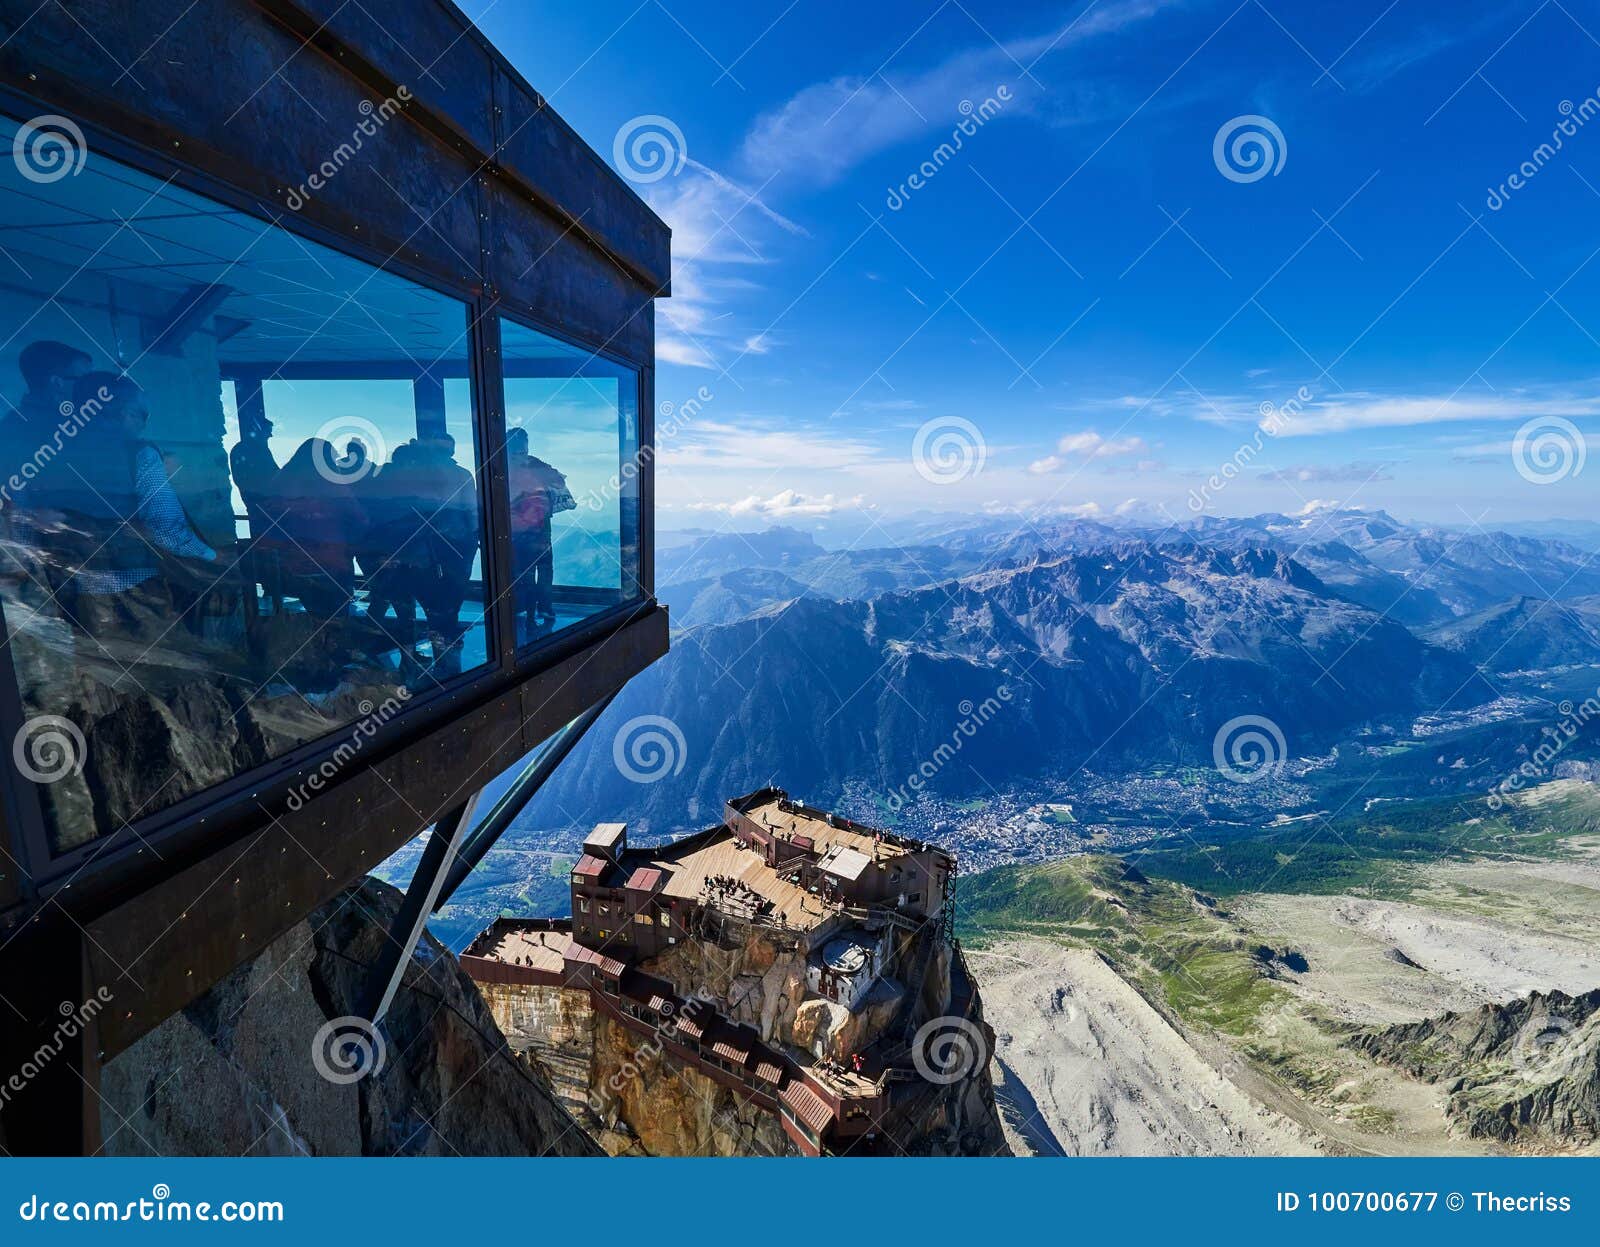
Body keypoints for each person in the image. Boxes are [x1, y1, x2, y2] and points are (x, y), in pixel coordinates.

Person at [38, 373, 220, 642]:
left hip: (63, 593)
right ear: (124, 413)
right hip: (131, 590)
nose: (144, 421)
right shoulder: (139, 455)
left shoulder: (49, 452)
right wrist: (214, 558)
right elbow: (166, 530)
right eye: (142, 413)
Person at [257, 437, 367, 620]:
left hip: (291, 568)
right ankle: (335, 643)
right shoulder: (334, 487)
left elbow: (267, 526)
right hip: (331, 565)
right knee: (336, 618)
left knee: (318, 615)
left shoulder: (279, 487)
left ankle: (321, 640)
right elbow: (360, 520)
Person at [505, 426, 574, 636]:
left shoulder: (499, 466)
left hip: (513, 530)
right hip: (539, 529)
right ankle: (542, 608)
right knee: (543, 569)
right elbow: (558, 480)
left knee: (521, 571)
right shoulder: (534, 465)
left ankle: (524, 610)